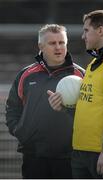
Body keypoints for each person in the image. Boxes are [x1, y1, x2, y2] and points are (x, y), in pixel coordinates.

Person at [48, 10, 103, 179]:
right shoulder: (93, 65)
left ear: (101, 30)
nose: (83, 36)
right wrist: (64, 108)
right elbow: (88, 108)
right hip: (81, 153)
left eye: (86, 30)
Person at [5, 24, 84, 179]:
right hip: (34, 155)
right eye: (52, 43)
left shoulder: (81, 76)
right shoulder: (26, 75)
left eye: (62, 43)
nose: (58, 47)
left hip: (70, 156)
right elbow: (12, 108)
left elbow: (89, 112)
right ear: (41, 46)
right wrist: (21, 132)